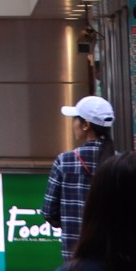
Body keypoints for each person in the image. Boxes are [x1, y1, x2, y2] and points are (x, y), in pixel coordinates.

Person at [42, 96, 116, 258]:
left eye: (76, 119)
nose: (73, 124)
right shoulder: (120, 162)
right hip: (113, 256)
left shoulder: (65, 161)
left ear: (86, 125)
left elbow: (48, 211)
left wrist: (71, 224)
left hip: (75, 254)